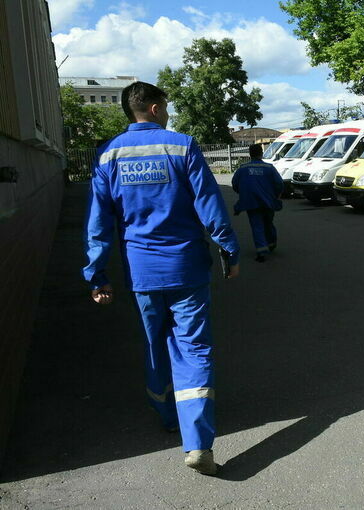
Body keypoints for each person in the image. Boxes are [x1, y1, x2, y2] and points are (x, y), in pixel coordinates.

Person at [83, 81, 240, 476]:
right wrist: (230, 251)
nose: (168, 112)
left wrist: (96, 273)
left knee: (156, 343)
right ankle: (198, 442)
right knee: (193, 348)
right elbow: (210, 204)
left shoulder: (107, 155)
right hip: (187, 267)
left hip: (142, 272)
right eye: (165, 106)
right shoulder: (182, 145)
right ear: (154, 109)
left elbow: (99, 222)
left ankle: (166, 414)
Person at [231, 144, 283, 262]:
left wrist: (243, 193)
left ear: (250, 154)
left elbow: (235, 183)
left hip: (251, 203)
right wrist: (276, 196)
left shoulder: (242, 168)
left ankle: (261, 252)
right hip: (268, 202)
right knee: (268, 223)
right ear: (261, 153)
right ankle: (271, 244)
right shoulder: (269, 168)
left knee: (257, 226)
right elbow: (279, 184)